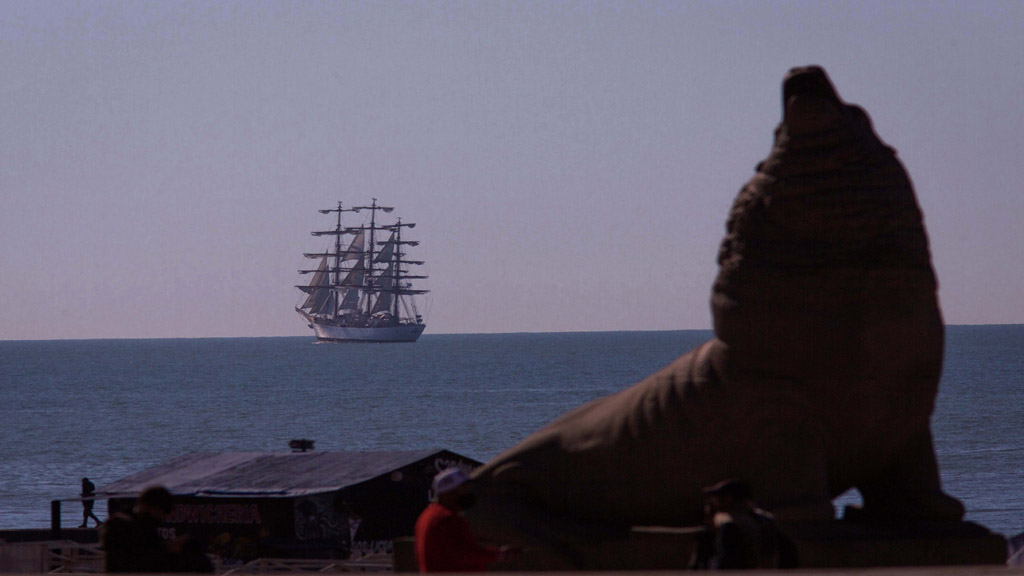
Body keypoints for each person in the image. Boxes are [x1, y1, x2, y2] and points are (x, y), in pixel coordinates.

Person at [415, 468, 511, 573]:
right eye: (464, 489)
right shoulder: (447, 518)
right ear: (449, 493)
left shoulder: (427, 514)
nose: (468, 493)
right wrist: (501, 554)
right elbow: (465, 554)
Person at [101, 485, 213, 573]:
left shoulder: (147, 526)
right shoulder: (119, 524)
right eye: (159, 512)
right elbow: (134, 557)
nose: (160, 517)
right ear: (146, 506)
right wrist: (167, 549)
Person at [693, 478, 797, 570]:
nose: (713, 503)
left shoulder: (731, 525)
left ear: (728, 499)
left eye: (717, 498)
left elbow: (724, 563)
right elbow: (789, 555)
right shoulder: (765, 520)